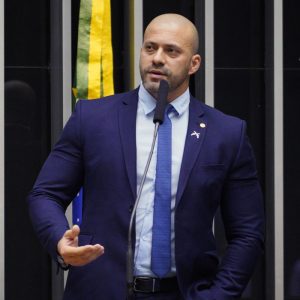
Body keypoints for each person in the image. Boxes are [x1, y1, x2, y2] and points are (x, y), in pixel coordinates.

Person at [28, 13, 264, 300]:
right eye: (150, 48)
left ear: (194, 64)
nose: (157, 58)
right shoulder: (92, 118)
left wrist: (217, 295)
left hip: (183, 292)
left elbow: (248, 233)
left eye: (172, 51)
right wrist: (59, 242)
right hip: (98, 290)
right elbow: (45, 193)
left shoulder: (226, 133)